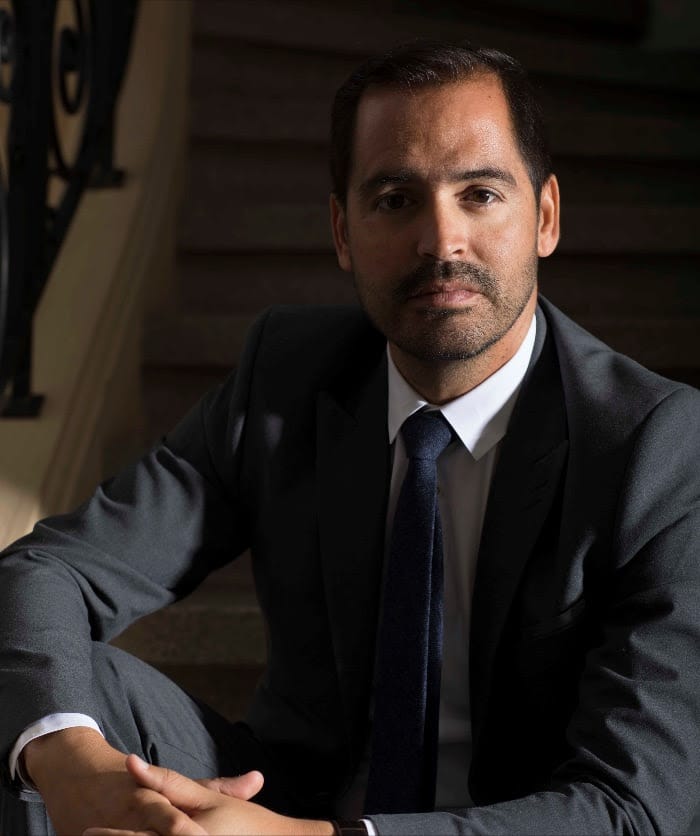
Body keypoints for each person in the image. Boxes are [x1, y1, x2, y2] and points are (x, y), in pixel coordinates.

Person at [1, 40, 699, 836]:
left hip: (517, 825)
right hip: (289, 796)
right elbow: (50, 570)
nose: (441, 241)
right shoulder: (288, 375)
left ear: (545, 217)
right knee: (43, 691)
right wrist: (71, 766)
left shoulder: (654, 444)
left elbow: (637, 807)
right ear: (342, 231)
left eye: (479, 194)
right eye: (396, 200)